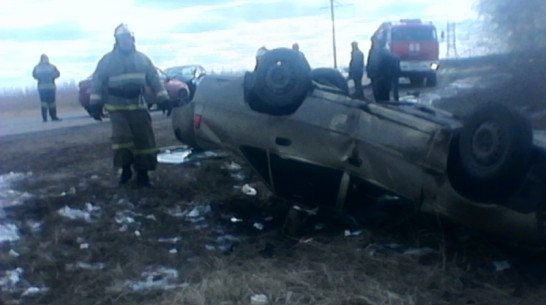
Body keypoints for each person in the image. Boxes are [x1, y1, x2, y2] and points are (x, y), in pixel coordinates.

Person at [88, 23, 170, 187]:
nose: (125, 42)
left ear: (133, 40)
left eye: (128, 39)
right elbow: (97, 82)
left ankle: (143, 173)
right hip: (116, 106)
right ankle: (125, 168)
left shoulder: (143, 59)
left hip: (138, 104)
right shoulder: (107, 60)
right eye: (122, 39)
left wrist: (164, 98)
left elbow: (154, 79)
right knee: (122, 139)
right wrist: (95, 104)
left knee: (144, 139)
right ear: (117, 41)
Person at [366, 35, 400, 102]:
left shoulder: (376, 52)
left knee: (379, 97)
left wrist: (371, 74)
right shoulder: (388, 53)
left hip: (379, 78)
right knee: (385, 96)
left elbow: (374, 65)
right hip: (386, 78)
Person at [32, 54, 61, 122]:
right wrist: (51, 77)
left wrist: (41, 78)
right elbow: (58, 74)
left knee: (43, 103)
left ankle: (44, 118)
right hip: (51, 87)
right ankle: (53, 117)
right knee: (52, 103)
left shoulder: (37, 67)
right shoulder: (52, 67)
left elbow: (34, 75)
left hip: (42, 88)